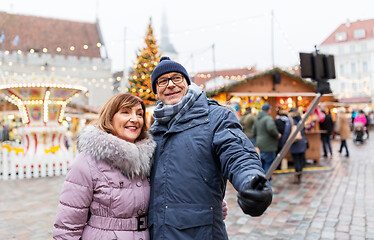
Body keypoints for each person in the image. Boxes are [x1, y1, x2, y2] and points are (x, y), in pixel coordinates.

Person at [149, 56, 272, 239]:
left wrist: (251, 181)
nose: (170, 84)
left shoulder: (216, 117)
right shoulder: (154, 129)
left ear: (187, 83)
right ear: (156, 92)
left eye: (177, 78)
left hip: (200, 233)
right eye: (162, 81)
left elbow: (237, 154)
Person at [53, 93, 157, 239]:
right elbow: (68, 224)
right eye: (125, 112)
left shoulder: (148, 160)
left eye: (139, 114)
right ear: (110, 118)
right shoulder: (87, 162)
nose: (135, 119)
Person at [252, 103, 281, 174]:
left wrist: (257, 140)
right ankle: (266, 181)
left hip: (261, 144)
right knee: (269, 164)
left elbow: (253, 132)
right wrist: (277, 135)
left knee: (263, 163)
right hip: (269, 144)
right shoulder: (268, 118)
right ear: (268, 110)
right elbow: (271, 128)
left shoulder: (258, 119)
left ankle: (263, 179)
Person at [288, 108, 308, 184]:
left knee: (296, 160)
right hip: (302, 142)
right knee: (300, 160)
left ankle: (297, 176)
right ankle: (299, 174)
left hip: (295, 143)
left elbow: (287, 132)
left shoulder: (291, 121)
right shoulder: (301, 119)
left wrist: (284, 143)